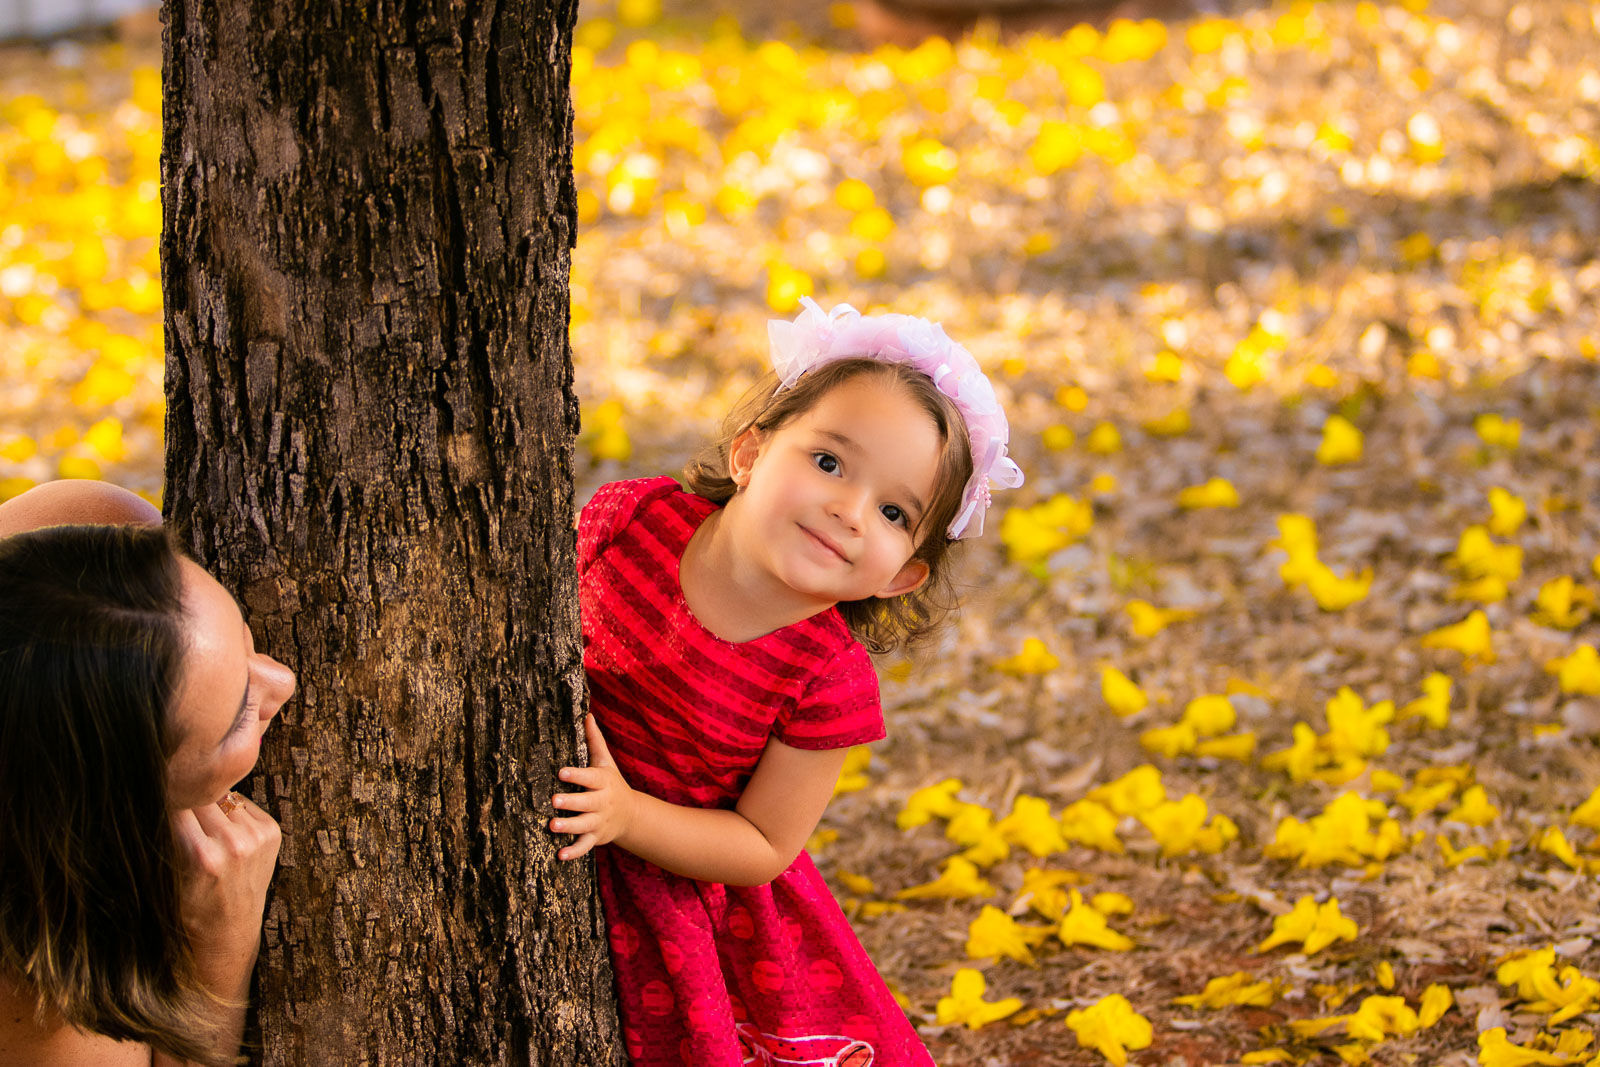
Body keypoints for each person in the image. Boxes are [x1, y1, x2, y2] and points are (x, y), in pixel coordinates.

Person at [551, 299, 1023, 1065]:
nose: (849, 510)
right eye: (829, 462)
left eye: (893, 511)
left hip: (677, 879)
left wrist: (627, 815)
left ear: (901, 576)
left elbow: (765, 842)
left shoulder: (826, 679)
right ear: (750, 453)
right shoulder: (630, 518)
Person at [0, 480, 295, 1066]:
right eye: (238, 714)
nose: (282, 680)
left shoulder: (93, 530)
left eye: (238, 629)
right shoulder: (45, 1009)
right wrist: (219, 954)